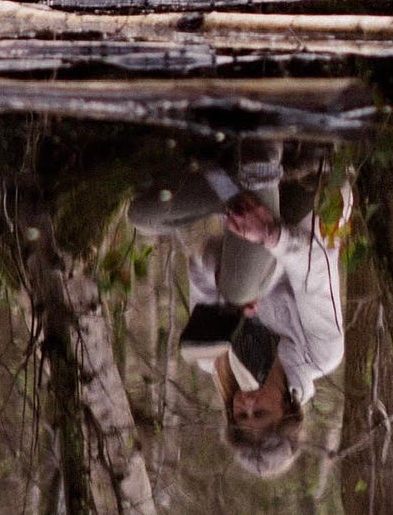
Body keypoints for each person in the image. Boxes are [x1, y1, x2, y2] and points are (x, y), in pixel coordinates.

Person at [128, 141, 349, 479]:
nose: (246, 405)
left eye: (239, 416)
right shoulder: (320, 354)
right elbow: (316, 266)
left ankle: (230, 166)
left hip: (243, 207)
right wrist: (270, 235)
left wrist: (228, 296)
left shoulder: (213, 358)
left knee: (143, 214)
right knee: (243, 287)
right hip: (307, 202)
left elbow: (202, 261)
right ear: (288, 409)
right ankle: (261, 152)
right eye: (260, 413)